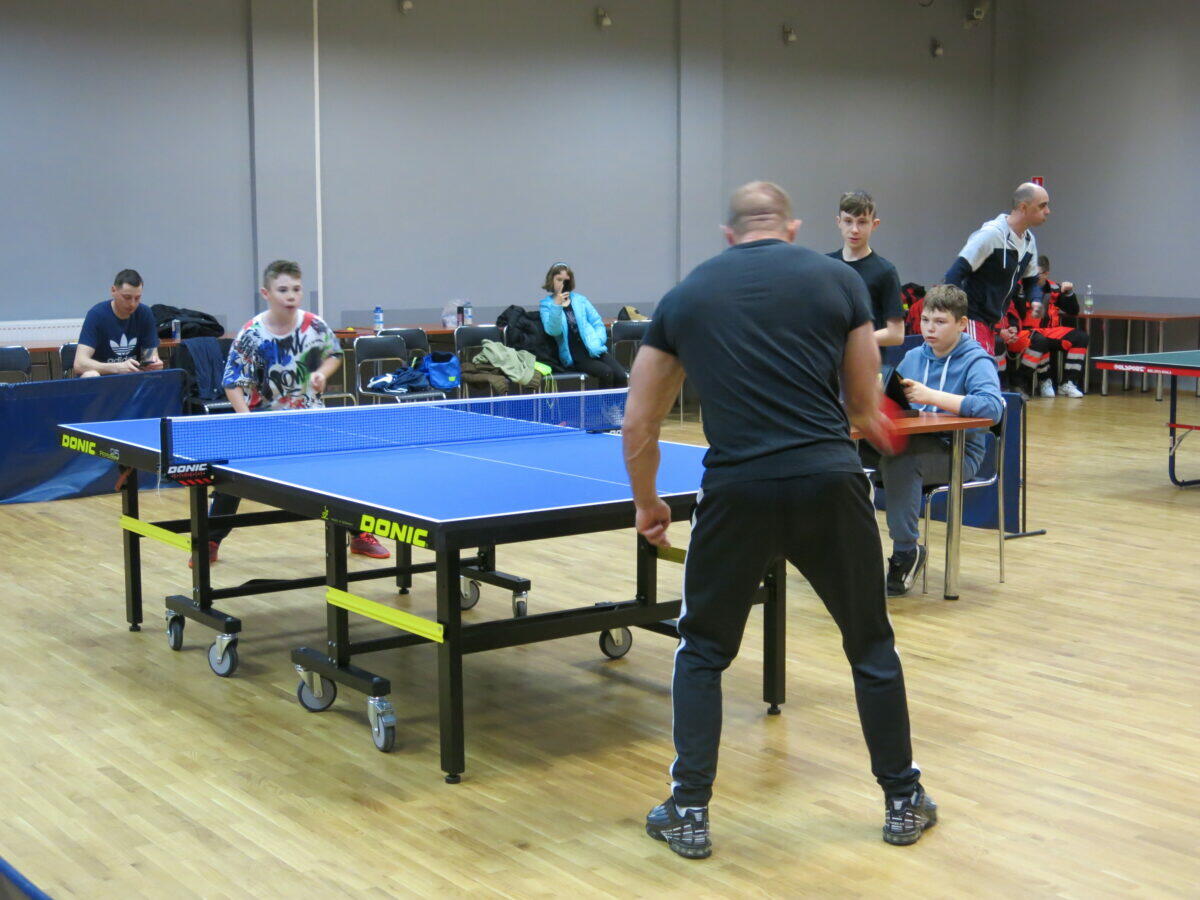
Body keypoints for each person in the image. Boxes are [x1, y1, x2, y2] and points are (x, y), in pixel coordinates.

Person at [623, 181, 933, 859]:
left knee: (703, 651)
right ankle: (903, 800)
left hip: (737, 492)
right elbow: (862, 404)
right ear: (791, 228)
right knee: (870, 645)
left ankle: (689, 810)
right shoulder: (839, 281)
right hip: (829, 483)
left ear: (729, 234)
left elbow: (640, 421)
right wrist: (877, 433)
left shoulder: (686, 295)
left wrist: (648, 503)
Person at [196, 260, 388, 565]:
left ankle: (359, 534)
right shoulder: (252, 333)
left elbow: (334, 354)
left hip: (309, 421)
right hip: (262, 423)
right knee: (232, 480)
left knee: (341, 473)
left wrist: (322, 373)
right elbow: (232, 382)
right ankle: (210, 540)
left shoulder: (314, 325)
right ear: (266, 293)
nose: (291, 296)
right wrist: (246, 418)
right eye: (283, 290)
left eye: (296, 289)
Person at [868, 285, 1005, 595]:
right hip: (911, 442)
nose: (930, 328)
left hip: (957, 454)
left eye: (940, 322)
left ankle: (906, 552)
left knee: (901, 462)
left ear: (961, 324)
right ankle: (846, 551)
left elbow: (992, 408)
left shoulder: (977, 360)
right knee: (846, 457)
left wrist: (931, 396)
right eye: (926, 320)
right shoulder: (913, 357)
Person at [944, 182, 1050, 370]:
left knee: (982, 373)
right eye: (1042, 206)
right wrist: (959, 315)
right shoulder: (991, 235)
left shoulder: (1029, 240)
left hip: (991, 322)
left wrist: (1035, 299)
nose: (1048, 211)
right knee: (979, 372)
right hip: (972, 317)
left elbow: (1031, 280)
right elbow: (953, 275)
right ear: (1023, 207)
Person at [827, 191, 904, 347]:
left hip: (867, 359)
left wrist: (851, 340)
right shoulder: (825, 265)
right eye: (848, 221)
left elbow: (896, 334)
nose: (854, 229)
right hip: (831, 359)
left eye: (862, 222)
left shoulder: (885, 271)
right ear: (838, 222)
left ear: (874, 224)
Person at [538, 263, 627, 388]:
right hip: (574, 355)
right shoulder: (546, 305)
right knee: (606, 373)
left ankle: (619, 402)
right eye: (559, 280)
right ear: (551, 280)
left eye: (565, 280)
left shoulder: (580, 300)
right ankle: (604, 402)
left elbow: (597, 322)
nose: (562, 284)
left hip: (594, 348)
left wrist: (598, 340)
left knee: (621, 375)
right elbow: (553, 331)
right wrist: (556, 305)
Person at [75, 269, 164, 376]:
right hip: (102, 378)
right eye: (127, 297)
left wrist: (154, 364)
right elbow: (79, 364)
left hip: (132, 378)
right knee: (91, 375)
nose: (132, 304)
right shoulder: (96, 315)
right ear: (113, 291)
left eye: (137, 298)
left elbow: (150, 356)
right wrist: (117, 367)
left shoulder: (145, 313)